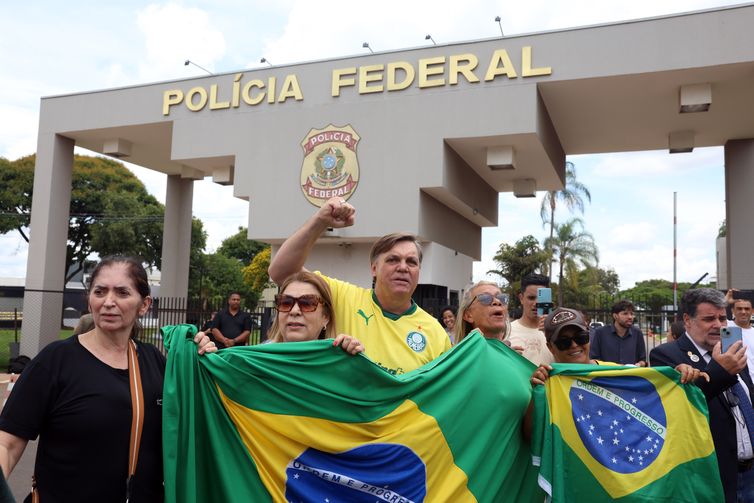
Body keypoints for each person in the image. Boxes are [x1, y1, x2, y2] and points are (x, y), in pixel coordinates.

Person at [0, 255, 215, 502]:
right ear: (90, 301)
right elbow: (7, 443)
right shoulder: (55, 360)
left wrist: (204, 360)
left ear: (144, 304)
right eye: (100, 292)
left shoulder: (155, 362)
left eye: (122, 293)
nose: (108, 302)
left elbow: (197, 425)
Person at [268, 196, 450, 375]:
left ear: (419, 270)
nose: (403, 268)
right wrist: (320, 221)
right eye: (393, 260)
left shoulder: (435, 332)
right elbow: (282, 272)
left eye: (411, 262)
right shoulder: (343, 296)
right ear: (374, 269)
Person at [650, 288, 752, 503]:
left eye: (723, 318)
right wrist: (721, 371)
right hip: (715, 477)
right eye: (709, 319)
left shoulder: (731, 349)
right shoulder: (667, 355)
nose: (719, 325)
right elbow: (682, 407)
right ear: (687, 320)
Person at [531, 307, 701, 385]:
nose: (574, 345)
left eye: (581, 337)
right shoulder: (545, 381)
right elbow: (531, 433)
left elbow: (651, 384)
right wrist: (536, 392)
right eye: (564, 342)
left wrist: (675, 374)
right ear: (551, 347)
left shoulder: (616, 374)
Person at [266, 271, 363, 355]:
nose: (294, 311)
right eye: (286, 302)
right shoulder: (258, 361)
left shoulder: (342, 363)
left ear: (325, 317)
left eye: (307, 303)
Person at [508, 273, 553, 365]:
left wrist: (552, 333)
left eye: (541, 298)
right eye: (531, 298)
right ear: (521, 298)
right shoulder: (507, 331)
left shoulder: (558, 331)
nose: (536, 303)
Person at [589, 300, 647, 366]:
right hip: (606, 375)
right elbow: (593, 360)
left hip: (630, 375)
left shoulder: (637, 333)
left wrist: (638, 364)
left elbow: (643, 360)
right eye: (625, 313)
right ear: (615, 316)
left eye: (631, 314)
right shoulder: (600, 333)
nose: (630, 317)